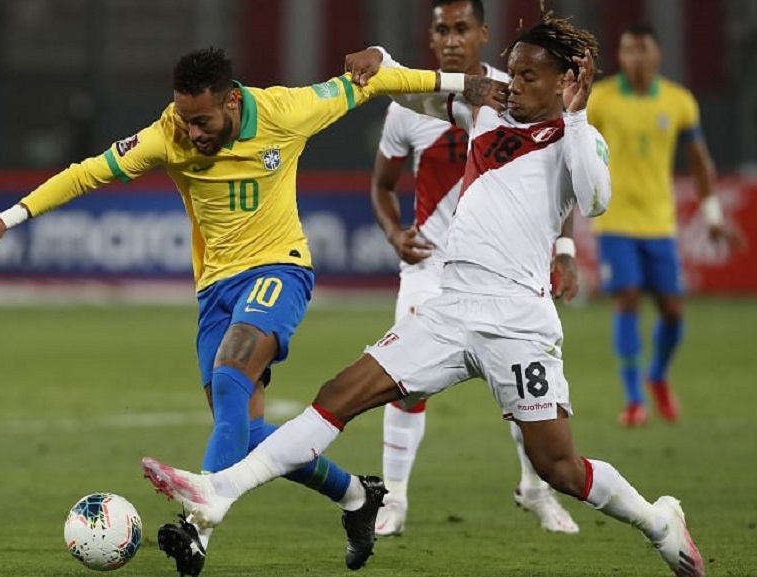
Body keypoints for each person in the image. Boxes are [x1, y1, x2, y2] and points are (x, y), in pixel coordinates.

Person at [140, 15, 705, 577]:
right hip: (451, 308)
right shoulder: (487, 110)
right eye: (512, 73)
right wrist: (377, 60)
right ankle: (220, 493)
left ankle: (658, 522)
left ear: (565, 82)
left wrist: (579, 117)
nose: (516, 85)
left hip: (519, 321)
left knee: (557, 465)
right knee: (339, 393)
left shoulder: (576, 139)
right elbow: (408, 92)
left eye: (530, 76)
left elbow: (595, 199)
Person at [0, 48, 506, 576]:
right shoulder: (166, 135)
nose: (191, 132)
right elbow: (88, 172)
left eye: (201, 120)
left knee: (230, 373)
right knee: (243, 429)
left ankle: (198, 528)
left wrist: (463, 85)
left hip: (280, 269)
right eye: (184, 119)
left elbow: (374, 82)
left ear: (231, 102)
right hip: (215, 289)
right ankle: (357, 496)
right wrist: (9, 217)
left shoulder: (284, 111)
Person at [371, 0, 578, 536]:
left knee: (523, 384)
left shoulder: (517, 91)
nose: (451, 39)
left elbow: (561, 171)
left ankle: (537, 488)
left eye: (462, 28)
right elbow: (382, 186)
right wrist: (396, 234)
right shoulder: (408, 106)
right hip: (428, 267)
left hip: (504, 268)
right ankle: (393, 498)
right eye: (442, 29)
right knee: (403, 383)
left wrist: (564, 251)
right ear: (432, 35)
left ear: (484, 33)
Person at [587, 24, 742, 427]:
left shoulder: (678, 101)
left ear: (657, 55)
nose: (634, 57)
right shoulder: (601, 100)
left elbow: (699, 159)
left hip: (660, 222)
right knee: (628, 297)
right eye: (627, 50)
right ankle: (634, 398)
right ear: (620, 57)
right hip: (615, 219)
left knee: (673, 310)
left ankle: (657, 376)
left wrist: (712, 217)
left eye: (641, 49)